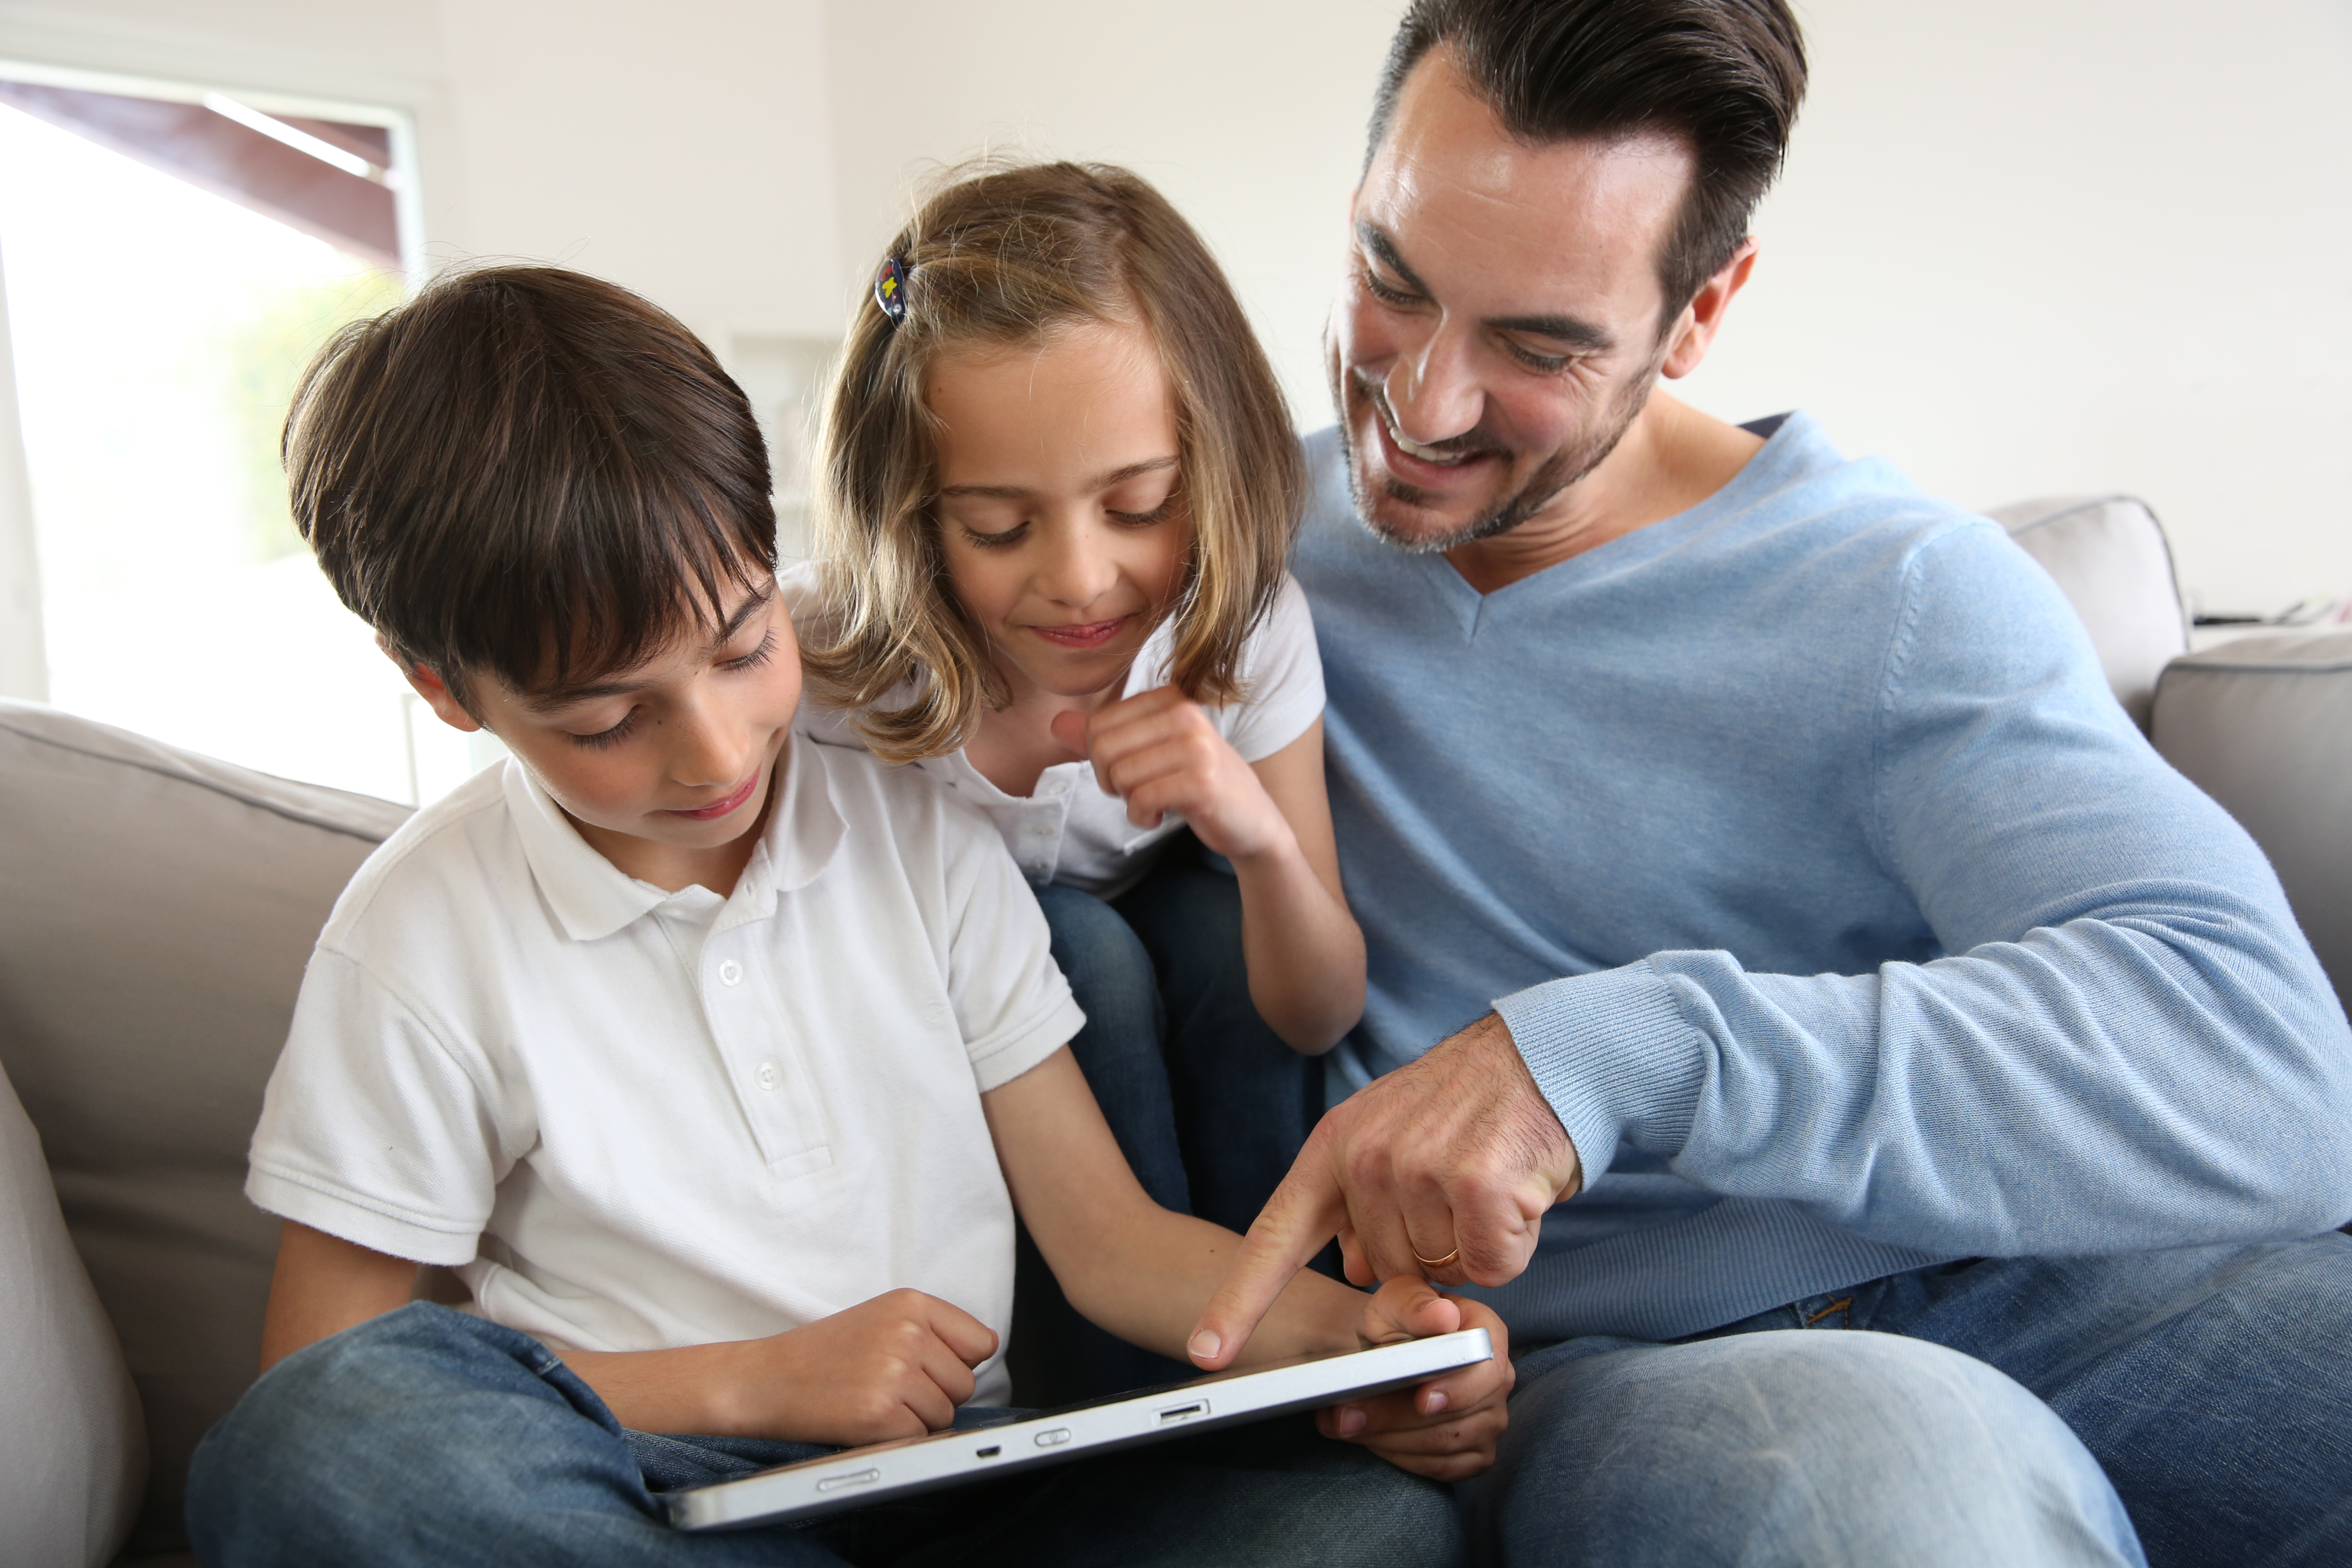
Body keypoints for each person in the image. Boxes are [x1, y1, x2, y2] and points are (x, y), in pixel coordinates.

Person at [1183, 2, 2352, 1564]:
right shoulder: (1223, 553)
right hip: (1665, 1373)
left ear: (1699, 313)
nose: (1429, 402)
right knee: (1897, 1505)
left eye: (1540, 346)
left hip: (2071, 1285)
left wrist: (1639, 1049)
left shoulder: (1902, 592)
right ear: (1360, 208)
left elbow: (2269, 1072)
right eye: (1393, 285)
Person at [182, 264, 1508, 1567]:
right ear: (445, 691)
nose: (712, 753)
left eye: (746, 646)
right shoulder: (420, 938)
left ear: (778, 562)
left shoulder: (913, 829)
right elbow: (321, 1377)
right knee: (313, 1446)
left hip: (968, 1491)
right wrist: (758, 1383)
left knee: (1371, 1528)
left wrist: (1378, 1342)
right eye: (608, 720)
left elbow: (1111, 1246)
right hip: (641, 1496)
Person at [790, 163, 1363, 1393]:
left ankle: (1294, 1331)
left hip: (1168, 943)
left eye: (1140, 505)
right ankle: (1124, 1397)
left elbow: (1320, 1010)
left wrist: (1255, 835)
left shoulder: (1241, 629)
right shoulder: (836, 673)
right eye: (998, 529)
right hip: (978, 1028)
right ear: (909, 518)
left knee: (1215, 926)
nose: (1082, 581)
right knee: (1072, 947)